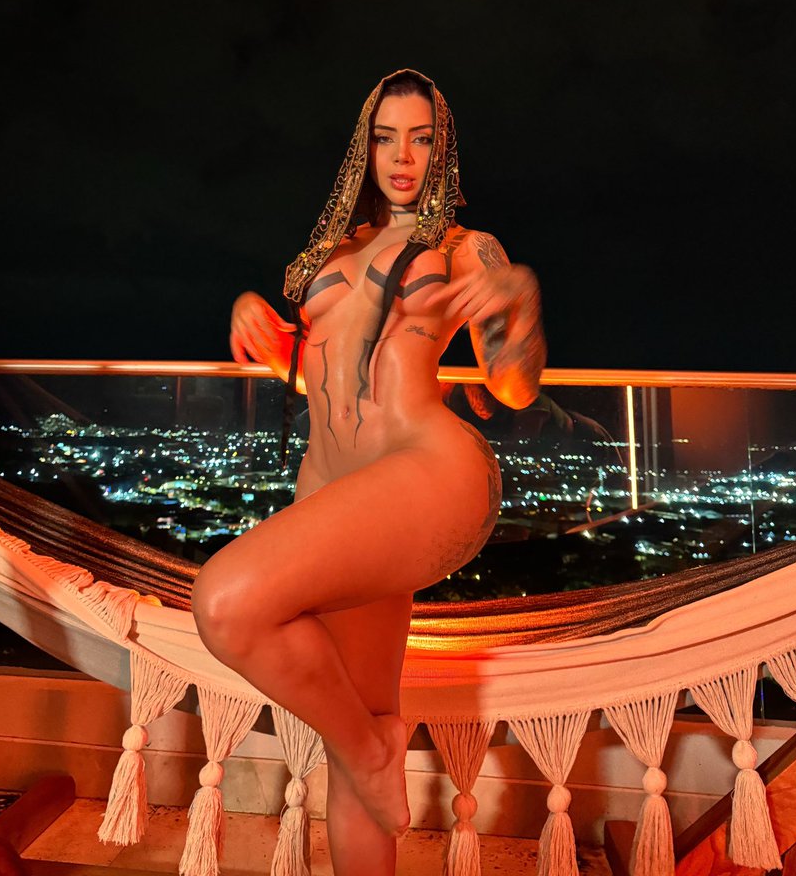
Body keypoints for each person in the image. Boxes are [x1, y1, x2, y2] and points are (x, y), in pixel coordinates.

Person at [192, 69, 546, 875]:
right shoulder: (336, 249)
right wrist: (257, 317)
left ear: (442, 150)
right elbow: (317, 370)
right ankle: (369, 747)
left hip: (425, 469)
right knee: (354, 732)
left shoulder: (467, 249)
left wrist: (520, 299)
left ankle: (373, 748)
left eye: (421, 139)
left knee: (227, 603)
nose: (403, 156)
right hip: (335, 487)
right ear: (365, 147)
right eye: (387, 137)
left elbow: (515, 385)